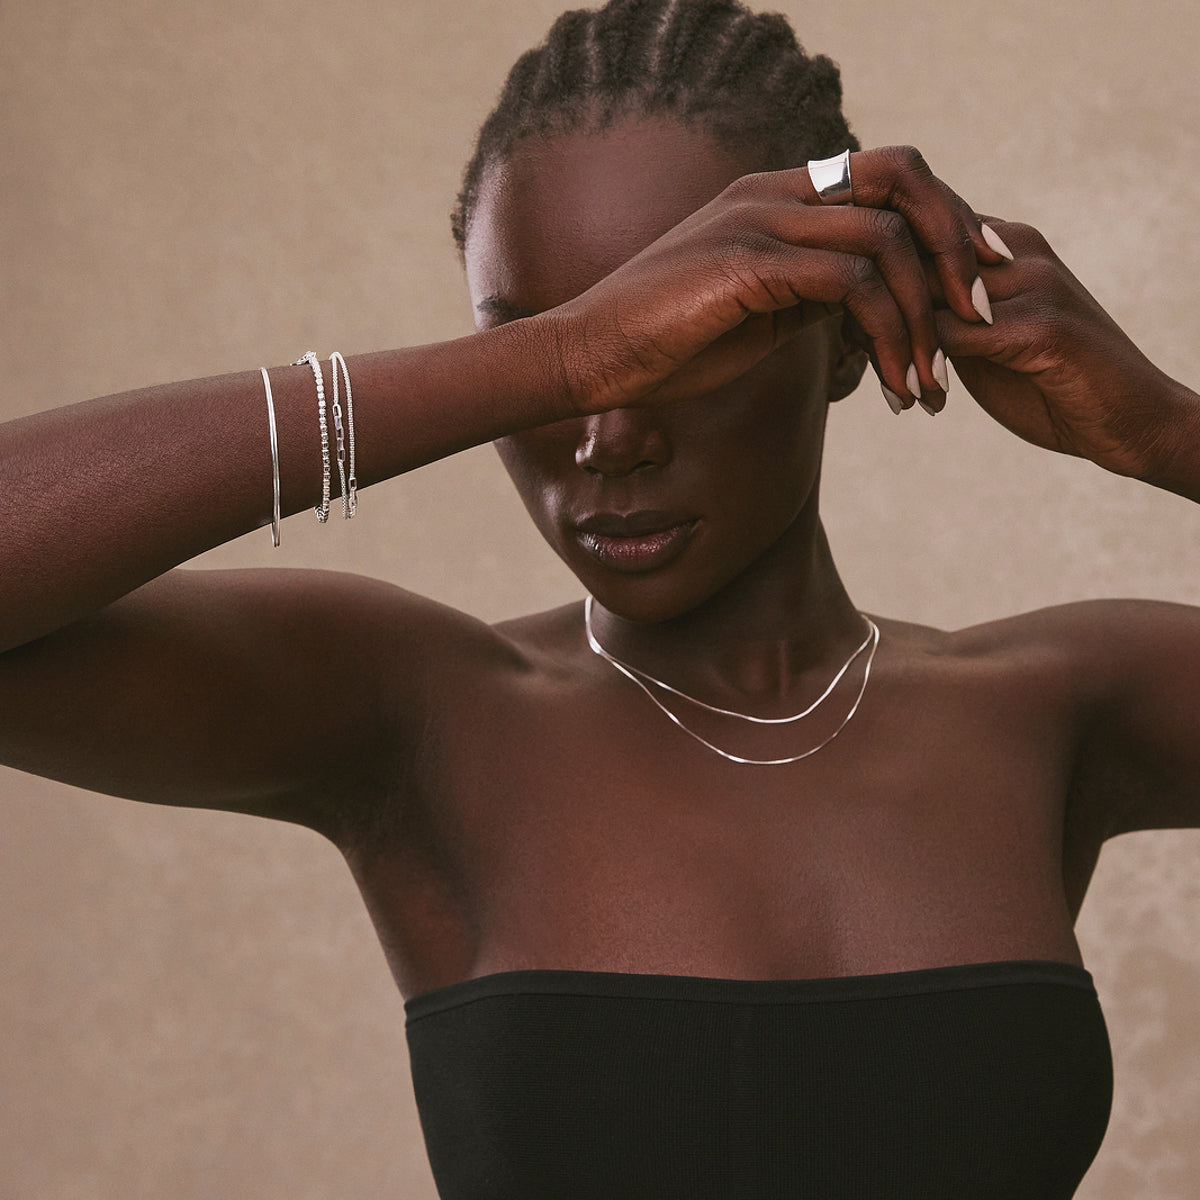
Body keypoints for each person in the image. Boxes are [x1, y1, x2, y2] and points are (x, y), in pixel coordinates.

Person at [2, 0, 1197, 1195]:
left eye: (702, 338)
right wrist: (560, 357)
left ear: (848, 338)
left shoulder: (1057, 710)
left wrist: (1166, 432)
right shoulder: (416, 716)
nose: (608, 437)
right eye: (542, 352)